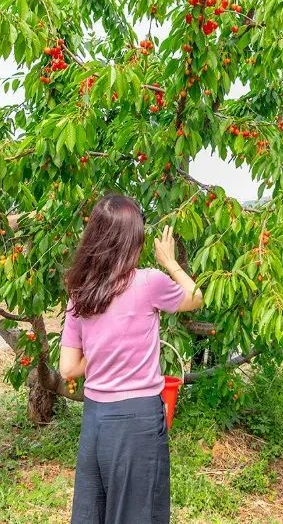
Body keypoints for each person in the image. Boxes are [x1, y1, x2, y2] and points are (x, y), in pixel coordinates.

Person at [60, 195, 204, 524]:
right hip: (137, 419)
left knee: (92, 511)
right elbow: (195, 297)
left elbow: (68, 367)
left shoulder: (79, 289)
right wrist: (171, 262)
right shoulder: (148, 281)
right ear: (132, 240)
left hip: (95, 418)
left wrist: (98, 356)